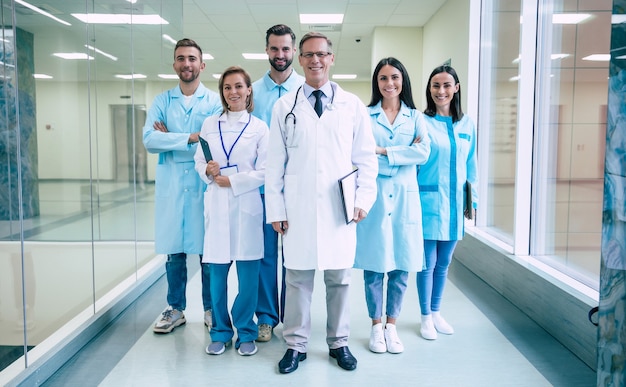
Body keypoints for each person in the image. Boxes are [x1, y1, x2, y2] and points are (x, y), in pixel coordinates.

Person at [265, 31, 378, 374]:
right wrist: (277, 209)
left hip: (339, 207)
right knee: (297, 279)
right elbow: (275, 164)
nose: (315, 60)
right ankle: (296, 345)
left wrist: (362, 199)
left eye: (322, 54)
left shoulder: (352, 105)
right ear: (300, 59)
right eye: (309, 54)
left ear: (331, 59)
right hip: (297, 206)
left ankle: (338, 342)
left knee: (339, 279)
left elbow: (366, 159)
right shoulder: (285, 106)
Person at [143, 38, 222, 334]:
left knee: (207, 254)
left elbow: (215, 138)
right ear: (174, 64)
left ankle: (211, 308)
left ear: (201, 65)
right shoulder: (162, 100)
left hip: (203, 183)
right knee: (174, 254)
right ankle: (175, 308)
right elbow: (150, 140)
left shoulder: (214, 101)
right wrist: (190, 136)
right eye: (180, 58)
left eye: (192, 58)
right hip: (173, 185)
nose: (186, 63)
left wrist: (170, 137)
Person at [354, 57, 431, 354]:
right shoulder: (365, 114)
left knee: (401, 266)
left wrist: (384, 151)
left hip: (404, 199)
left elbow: (423, 152)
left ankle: (392, 326)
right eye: (383, 78)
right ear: (377, 82)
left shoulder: (415, 117)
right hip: (374, 195)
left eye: (395, 78)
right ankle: (375, 326)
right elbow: (360, 152)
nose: (389, 84)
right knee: (374, 266)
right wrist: (403, 153)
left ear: (403, 81)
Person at [194, 66, 268, 356]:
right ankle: (221, 331)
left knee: (248, 275)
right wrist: (207, 170)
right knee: (217, 274)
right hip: (217, 203)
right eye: (227, 87)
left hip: (246, 204)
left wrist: (233, 180)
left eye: (239, 86)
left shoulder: (259, 127)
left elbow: (266, 170)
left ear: (249, 90)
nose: (233, 92)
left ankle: (246, 331)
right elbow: (200, 161)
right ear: (222, 91)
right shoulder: (210, 124)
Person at [251, 24, 304, 343]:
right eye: (274, 49)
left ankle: (294, 315)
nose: (280, 55)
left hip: (297, 188)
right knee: (265, 255)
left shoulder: (306, 90)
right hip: (261, 189)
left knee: (296, 256)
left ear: (294, 51)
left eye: (286, 49)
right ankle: (267, 317)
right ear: (266, 50)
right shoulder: (253, 92)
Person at [417, 64, 478, 340]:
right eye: (435, 86)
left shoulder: (467, 124)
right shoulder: (421, 122)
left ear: (456, 88)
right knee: (426, 263)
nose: (441, 91)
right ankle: (425, 317)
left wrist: (472, 200)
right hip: (427, 202)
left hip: (454, 205)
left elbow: (471, 164)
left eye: (446, 85)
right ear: (429, 89)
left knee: (445, 263)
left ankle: (437, 310)